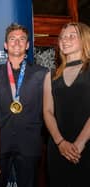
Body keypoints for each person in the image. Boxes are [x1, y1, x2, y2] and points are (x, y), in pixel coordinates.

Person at [0, 23, 48, 187]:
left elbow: (47, 111)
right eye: (12, 39)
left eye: (22, 39)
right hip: (0, 143)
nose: (17, 42)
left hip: (29, 144)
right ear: (5, 45)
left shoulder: (41, 74)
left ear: (28, 45)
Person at [43, 22, 90, 187]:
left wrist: (80, 144)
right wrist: (60, 142)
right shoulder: (51, 76)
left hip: (86, 146)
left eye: (72, 35)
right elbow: (47, 111)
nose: (65, 39)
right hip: (58, 149)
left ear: (84, 39)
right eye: (62, 37)